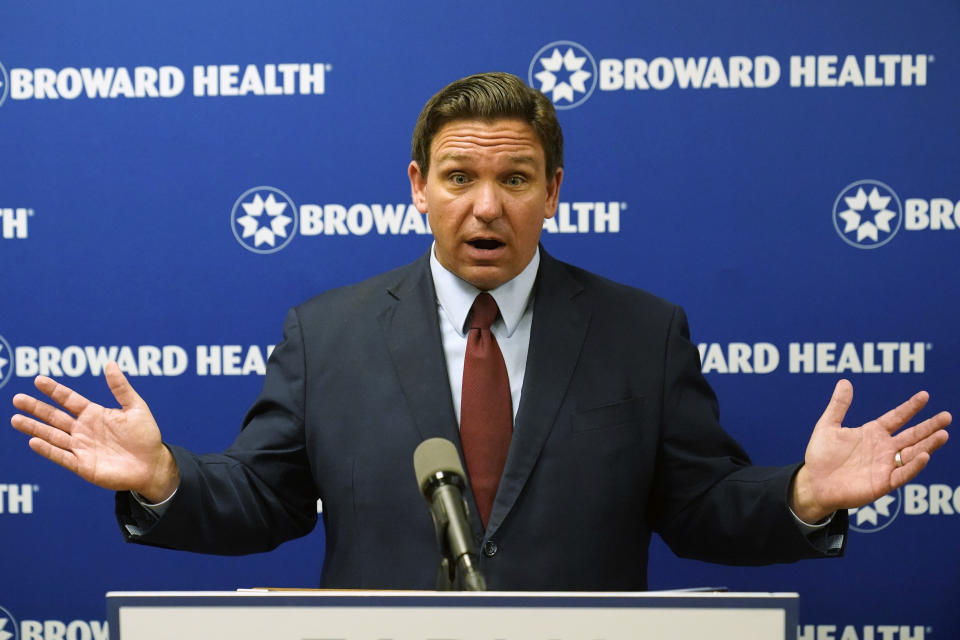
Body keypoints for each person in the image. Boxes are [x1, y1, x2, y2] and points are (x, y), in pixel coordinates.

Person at [9, 72, 951, 590]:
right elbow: (269, 501)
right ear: (417, 187)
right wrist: (165, 477)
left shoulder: (643, 332)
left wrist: (806, 495)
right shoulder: (327, 333)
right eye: (459, 177)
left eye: (516, 179)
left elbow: (699, 510)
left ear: (554, 193)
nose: (486, 206)